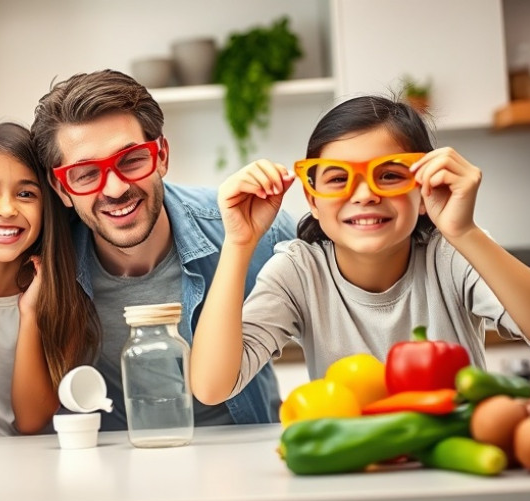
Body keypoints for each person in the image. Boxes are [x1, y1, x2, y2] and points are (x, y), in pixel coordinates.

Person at [190, 95, 530, 405]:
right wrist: (238, 242)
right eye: (339, 179)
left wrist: (465, 231)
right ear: (313, 200)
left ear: (425, 189)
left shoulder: (454, 254)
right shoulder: (299, 272)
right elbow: (211, 388)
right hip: (353, 468)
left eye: (389, 175)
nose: (365, 194)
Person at [30, 69, 296, 430]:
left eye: (131, 159)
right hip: (113, 470)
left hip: (240, 461)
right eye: (86, 173)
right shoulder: (45, 264)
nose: (114, 188)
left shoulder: (251, 229)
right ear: (61, 188)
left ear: (162, 156)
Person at [0, 123, 99, 437]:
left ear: (46, 210)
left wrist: (30, 315)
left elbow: (30, 421)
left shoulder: (63, 298)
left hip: (33, 464)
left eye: (26, 194)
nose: (6, 209)